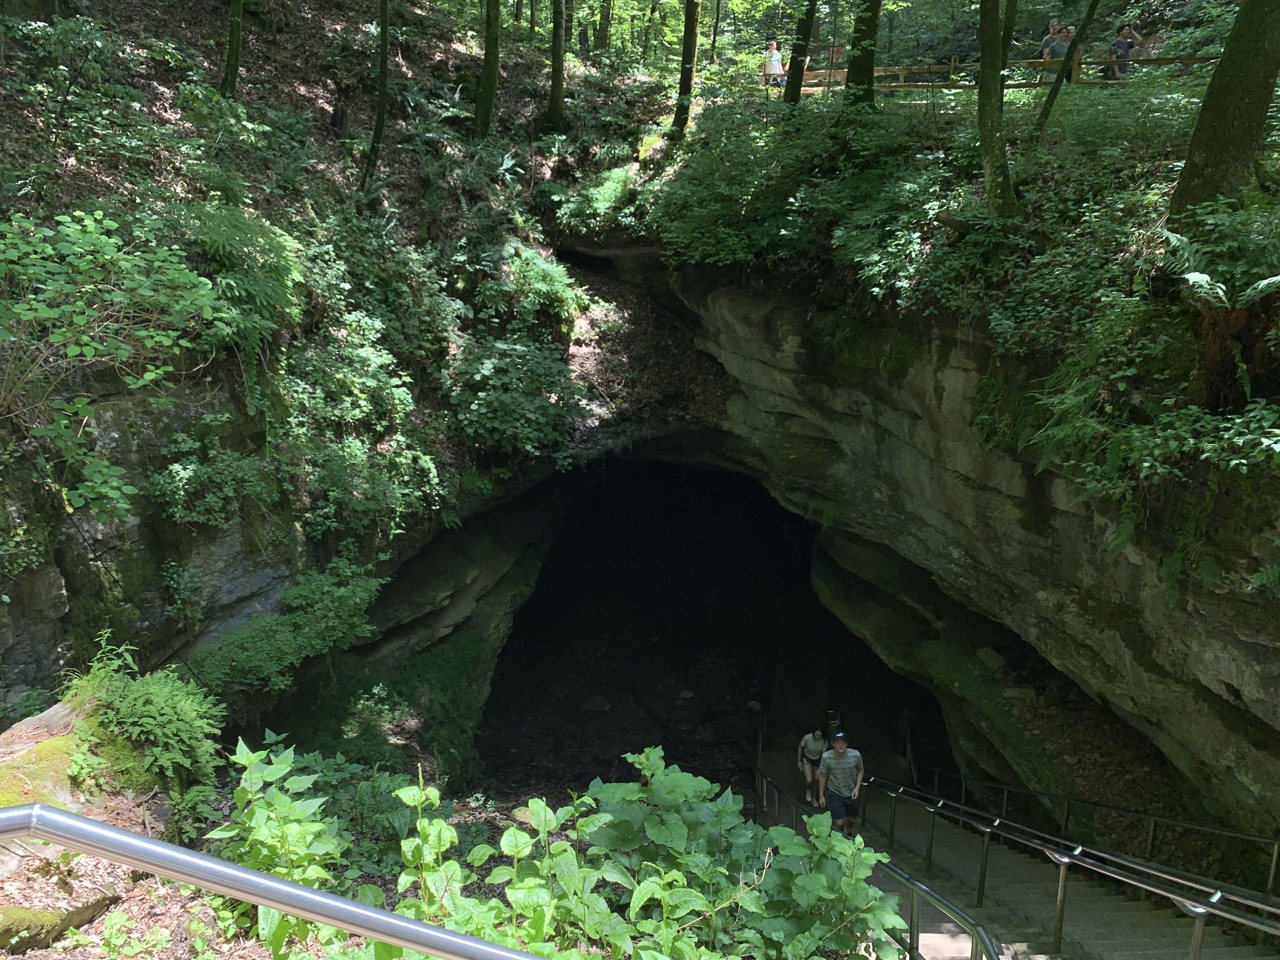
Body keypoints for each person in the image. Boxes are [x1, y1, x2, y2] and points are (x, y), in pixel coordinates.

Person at [817, 729, 864, 836]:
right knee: (839, 822)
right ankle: (836, 840)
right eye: (837, 742)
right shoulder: (827, 757)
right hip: (835, 791)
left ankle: (847, 830)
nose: (840, 745)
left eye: (843, 742)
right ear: (833, 743)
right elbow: (823, 775)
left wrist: (857, 787)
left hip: (851, 791)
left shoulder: (855, 755)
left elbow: (860, 770)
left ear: (846, 743)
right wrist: (821, 795)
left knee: (851, 820)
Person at [796, 724, 827, 805]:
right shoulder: (807, 738)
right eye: (816, 734)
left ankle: (814, 798)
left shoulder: (823, 740)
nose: (818, 737)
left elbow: (824, 755)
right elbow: (800, 747)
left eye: (819, 735)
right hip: (807, 758)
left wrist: (821, 768)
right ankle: (809, 789)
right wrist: (799, 761)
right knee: (809, 779)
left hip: (818, 759)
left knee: (816, 780)